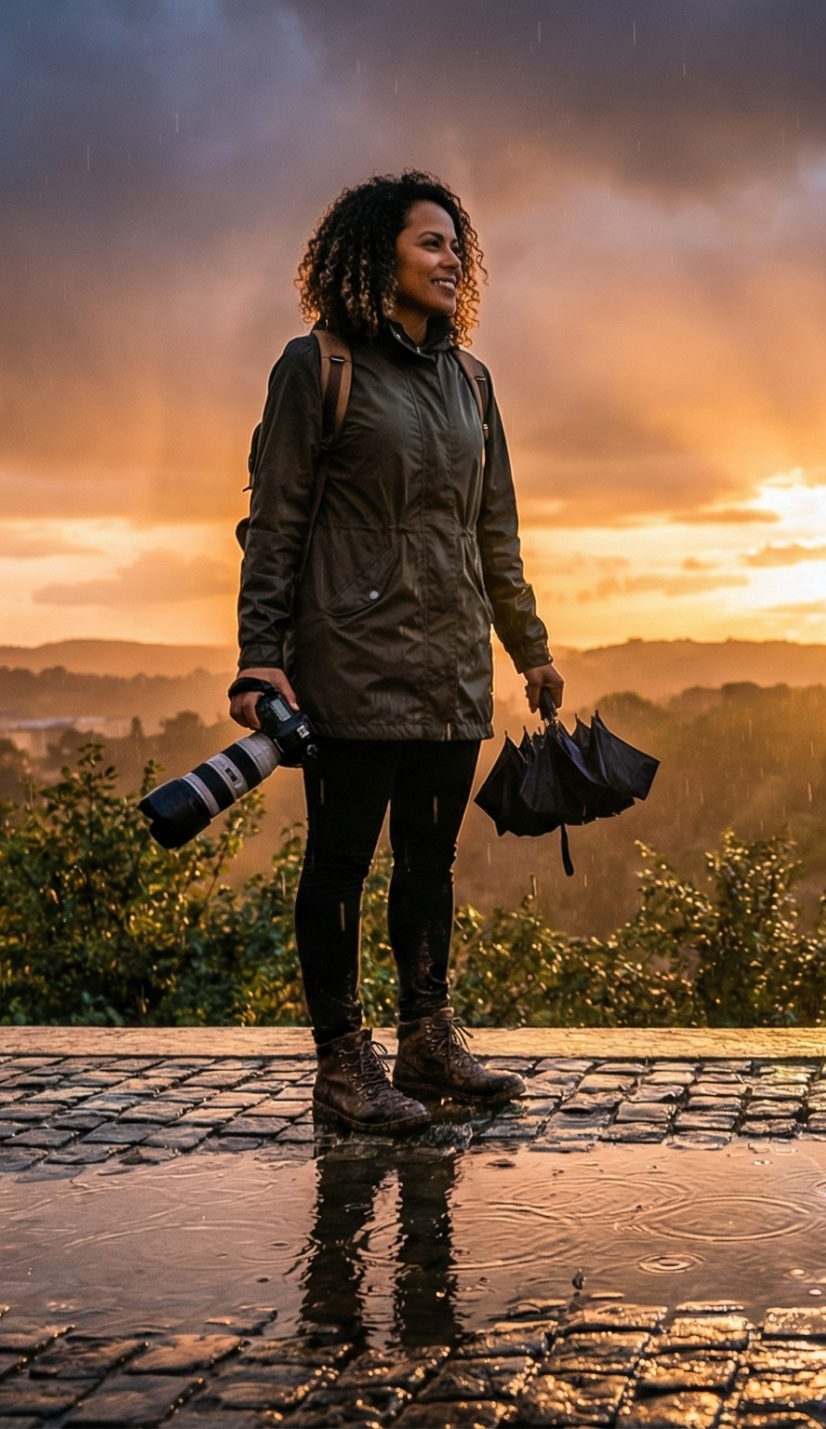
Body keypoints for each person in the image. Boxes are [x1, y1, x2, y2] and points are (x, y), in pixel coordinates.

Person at [231, 170, 561, 1133]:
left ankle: (427, 1039)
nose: (451, 257)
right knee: (339, 864)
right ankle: (343, 1067)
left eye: (457, 243)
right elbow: (276, 522)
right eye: (429, 242)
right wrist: (261, 658)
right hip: (347, 665)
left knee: (428, 862)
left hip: (451, 665)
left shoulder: (472, 381)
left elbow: (494, 526)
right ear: (376, 256)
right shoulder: (317, 367)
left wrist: (528, 645)